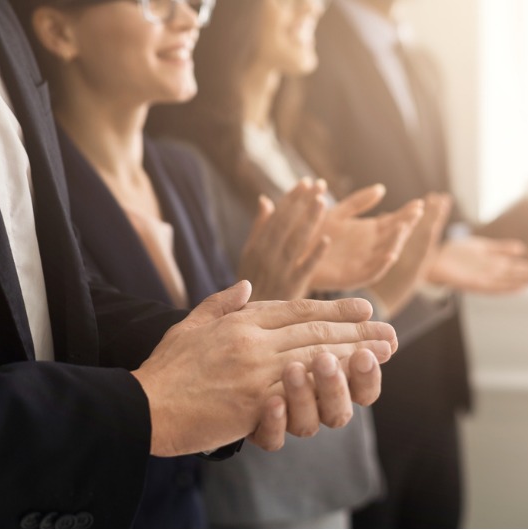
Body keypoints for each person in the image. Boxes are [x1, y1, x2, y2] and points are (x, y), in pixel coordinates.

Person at [0, 1, 398, 526]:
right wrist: (141, 407)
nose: (187, 16)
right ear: (63, 34)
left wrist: (240, 352)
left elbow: (42, 290)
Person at [13, 0, 421, 525]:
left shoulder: (180, 170)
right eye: (153, 4)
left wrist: (277, 293)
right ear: (57, 31)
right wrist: (267, 292)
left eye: (193, 3)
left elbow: (218, 353)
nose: (187, 19)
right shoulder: (39, 187)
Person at [147, 0, 452, 527]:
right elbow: (219, 329)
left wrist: (406, 279)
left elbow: (315, 310)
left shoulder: (290, 147)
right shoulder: (187, 161)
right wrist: (384, 290)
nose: (313, 5)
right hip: (260, 482)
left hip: (323, 468)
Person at [303, 0, 528, 526]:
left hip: (437, 368)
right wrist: (433, 258)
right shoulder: (311, 48)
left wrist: (481, 238)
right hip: (369, 375)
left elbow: (437, 200)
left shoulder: (420, 61)